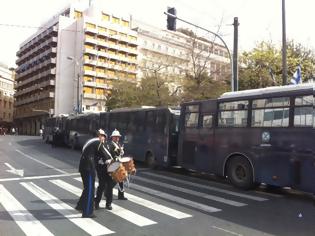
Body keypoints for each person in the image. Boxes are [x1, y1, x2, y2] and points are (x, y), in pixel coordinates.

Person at [76, 133, 100, 218]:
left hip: (84, 167)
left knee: (87, 188)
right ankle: (87, 212)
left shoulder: (90, 142)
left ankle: (80, 205)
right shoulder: (98, 142)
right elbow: (105, 154)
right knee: (90, 190)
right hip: (89, 168)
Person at [94, 129, 115, 210]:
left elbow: (112, 155)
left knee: (110, 186)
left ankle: (108, 203)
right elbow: (94, 156)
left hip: (109, 167)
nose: (101, 137)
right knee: (102, 185)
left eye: (102, 136)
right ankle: (97, 202)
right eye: (100, 136)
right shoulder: (95, 145)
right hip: (101, 168)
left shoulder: (107, 145)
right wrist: (100, 160)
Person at [109, 129, 128, 200]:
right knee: (115, 180)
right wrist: (119, 151)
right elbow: (113, 154)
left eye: (118, 137)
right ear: (112, 137)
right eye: (115, 137)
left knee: (121, 179)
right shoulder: (111, 145)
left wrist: (121, 151)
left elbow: (120, 154)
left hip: (119, 163)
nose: (117, 138)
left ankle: (121, 195)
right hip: (114, 164)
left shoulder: (118, 144)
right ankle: (107, 190)